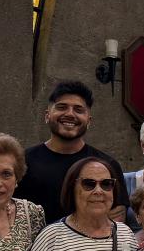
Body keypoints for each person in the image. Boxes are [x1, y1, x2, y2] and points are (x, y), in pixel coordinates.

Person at [17, 80, 128, 225]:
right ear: (47, 116)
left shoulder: (107, 165)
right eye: (62, 107)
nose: (70, 114)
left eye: (78, 110)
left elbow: (116, 219)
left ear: (89, 121)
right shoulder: (22, 162)